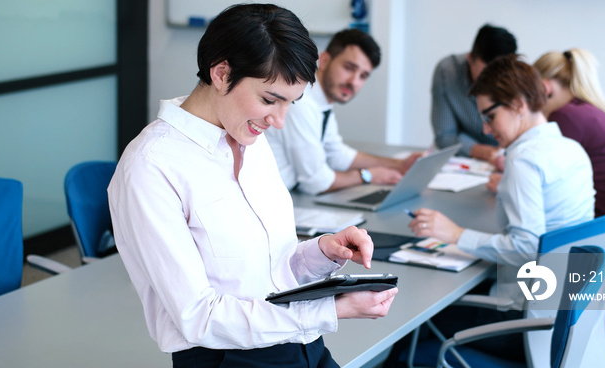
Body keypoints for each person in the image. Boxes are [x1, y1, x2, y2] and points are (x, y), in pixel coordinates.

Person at [107, 5, 398, 368]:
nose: (278, 121)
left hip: (301, 344)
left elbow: (270, 270)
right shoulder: (151, 167)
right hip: (228, 358)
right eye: (269, 100)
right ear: (221, 73)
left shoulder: (251, 141)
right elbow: (198, 317)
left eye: (290, 104)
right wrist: (329, 310)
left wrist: (322, 252)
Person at [386, 55, 595, 366]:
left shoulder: (524, 160)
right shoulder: (571, 149)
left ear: (519, 104)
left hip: (526, 319)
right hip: (566, 311)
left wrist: (456, 234)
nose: (485, 129)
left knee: (415, 319)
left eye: (490, 116)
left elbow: (526, 247)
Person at [266, 28, 422, 195]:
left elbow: (338, 154)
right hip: (270, 199)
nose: (353, 82)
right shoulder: (301, 102)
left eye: (363, 76)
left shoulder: (321, 103)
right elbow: (316, 182)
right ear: (324, 60)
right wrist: (368, 176)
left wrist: (398, 164)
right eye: (348, 68)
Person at [534, 48, 605, 217]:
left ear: (545, 88)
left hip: (601, 223)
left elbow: (545, 184)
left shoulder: (566, 116)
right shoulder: (588, 110)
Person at [430, 24, 517, 162]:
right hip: (466, 162)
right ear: (470, 59)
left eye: (499, 75)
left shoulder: (520, 80)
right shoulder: (447, 73)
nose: (492, 81)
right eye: (485, 73)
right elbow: (445, 137)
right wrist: (488, 153)